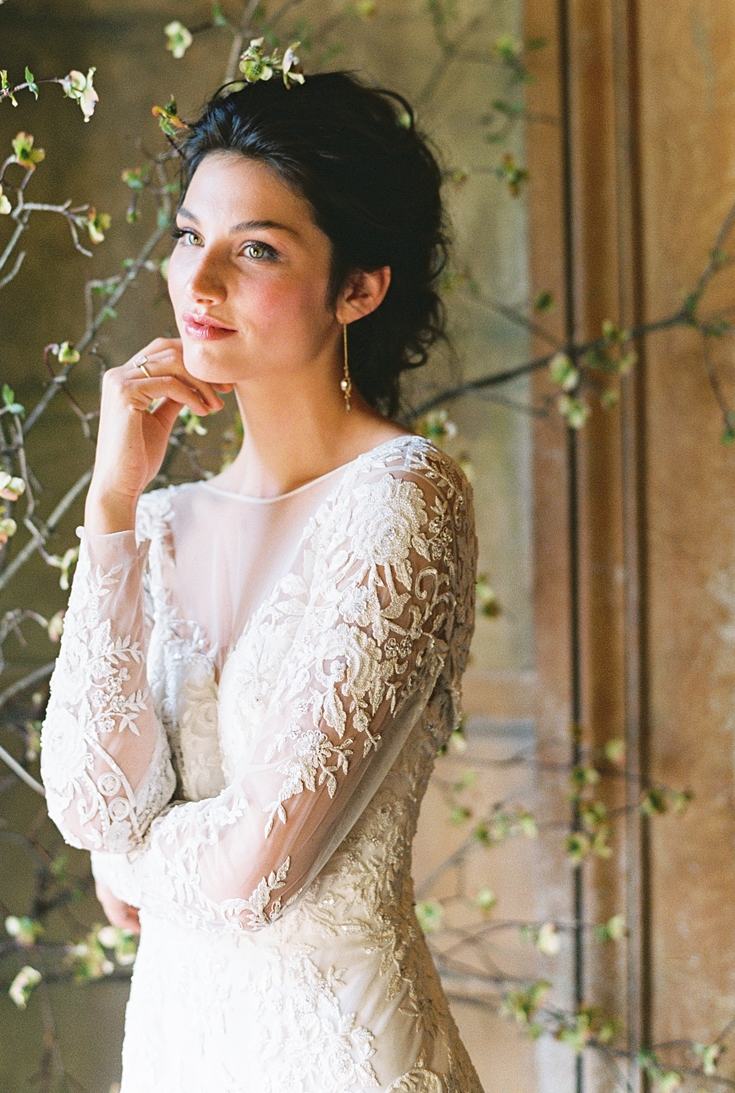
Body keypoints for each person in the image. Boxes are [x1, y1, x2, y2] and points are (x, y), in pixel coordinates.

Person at [41, 71, 482, 1093]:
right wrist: (111, 505)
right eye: (191, 236)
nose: (199, 284)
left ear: (359, 286)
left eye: (257, 250)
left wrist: (128, 858)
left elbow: (255, 870)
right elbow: (89, 798)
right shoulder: (162, 519)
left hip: (341, 1058)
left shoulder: (403, 498)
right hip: (175, 1052)